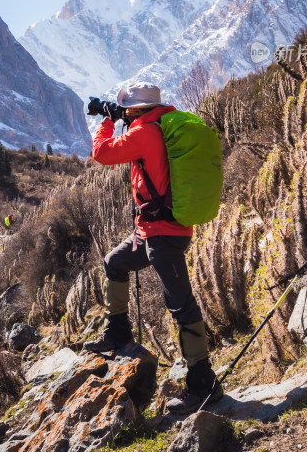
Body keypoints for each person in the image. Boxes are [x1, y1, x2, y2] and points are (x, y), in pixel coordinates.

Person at [84, 82, 223, 413]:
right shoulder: (156, 123)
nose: (125, 114)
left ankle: (204, 385)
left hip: (164, 235)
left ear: (135, 110)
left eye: (127, 110)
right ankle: (117, 332)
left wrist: (107, 119)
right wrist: (123, 117)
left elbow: (102, 153)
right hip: (150, 232)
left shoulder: (145, 132)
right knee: (114, 263)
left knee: (181, 305)